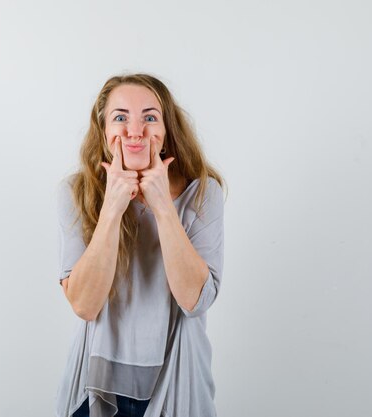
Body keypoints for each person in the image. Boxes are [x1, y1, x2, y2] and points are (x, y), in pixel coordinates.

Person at [55, 73, 226, 417]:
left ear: (165, 132)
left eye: (150, 117)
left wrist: (163, 205)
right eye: (121, 117)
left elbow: (196, 300)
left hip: (178, 385)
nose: (136, 130)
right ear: (104, 131)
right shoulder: (76, 192)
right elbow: (84, 305)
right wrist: (113, 208)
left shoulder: (203, 193)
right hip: (95, 390)